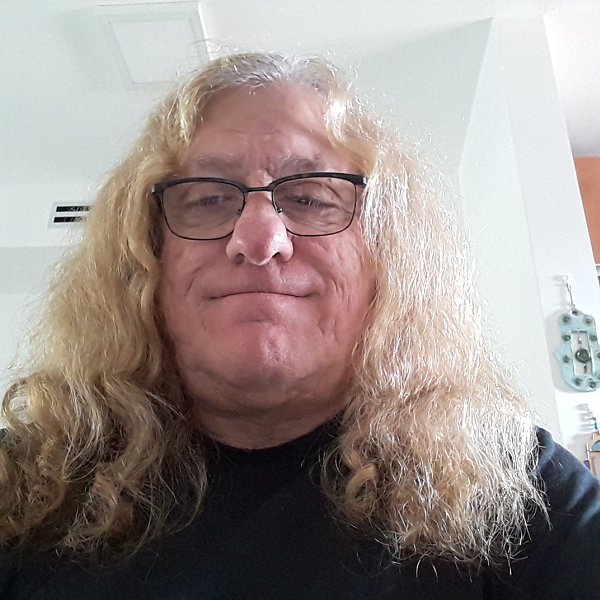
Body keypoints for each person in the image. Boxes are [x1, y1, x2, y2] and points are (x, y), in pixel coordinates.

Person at [1, 52, 599, 600]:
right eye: (208, 198)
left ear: (384, 256)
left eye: (311, 198)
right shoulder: (25, 484)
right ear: (147, 255)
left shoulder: (515, 489)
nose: (260, 240)